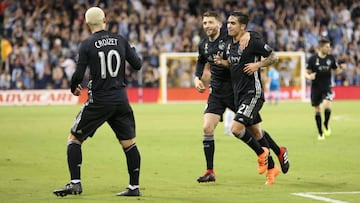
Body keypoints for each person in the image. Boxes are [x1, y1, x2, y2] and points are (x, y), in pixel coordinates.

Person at [53, 7, 142, 197]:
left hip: (99, 100)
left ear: (87, 24)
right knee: (129, 144)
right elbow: (138, 64)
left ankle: (75, 183)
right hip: (120, 99)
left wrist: (73, 86)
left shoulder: (86, 44)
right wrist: (130, 50)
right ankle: (134, 187)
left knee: (74, 138)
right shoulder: (120, 40)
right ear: (105, 20)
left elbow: (78, 74)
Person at [194, 11, 289, 185]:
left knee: (256, 132)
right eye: (204, 22)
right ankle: (210, 171)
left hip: (236, 91)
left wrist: (248, 34)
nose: (207, 26)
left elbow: (252, 35)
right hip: (216, 92)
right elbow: (201, 60)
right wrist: (197, 77)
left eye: (210, 22)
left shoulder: (230, 37)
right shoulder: (205, 44)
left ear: (219, 24)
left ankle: (277, 153)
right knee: (207, 127)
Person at [305, 38, 344, 140]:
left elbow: (336, 71)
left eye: (329, 46)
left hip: (327, 86)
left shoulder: (331, 58)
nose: (329, 48)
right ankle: (320, 132)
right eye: (327, 47)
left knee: (327, 105)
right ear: (321, 47)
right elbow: (305, 72)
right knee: (317, 110)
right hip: (315, 88)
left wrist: (342, 69)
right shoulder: (313, 59)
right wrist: (309, 77)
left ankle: (326, 124)